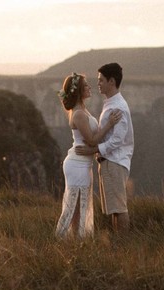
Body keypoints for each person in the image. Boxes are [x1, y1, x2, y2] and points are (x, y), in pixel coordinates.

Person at [55, 72, 121, 238]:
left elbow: (91, 144)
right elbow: (91, 141)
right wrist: (109, 125)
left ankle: (76, 239)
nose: (90, 87)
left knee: (79, 204)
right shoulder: (78, 114)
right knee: (75, 206)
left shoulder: (82, 110)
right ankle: (65, 239)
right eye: (86, 85)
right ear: (78, 91)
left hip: (83, 163)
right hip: (77, 164)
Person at [76, 62, 133, 234]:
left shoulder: (118, 107)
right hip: (109, 161)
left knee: (119, 208)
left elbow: (117, 140)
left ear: (112, 81)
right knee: (112, 208)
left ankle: (122, 245)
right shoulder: (111, 103)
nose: (98, 83)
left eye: (101, 80)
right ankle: (118, 243)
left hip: (114, 162)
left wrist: (93, 150)